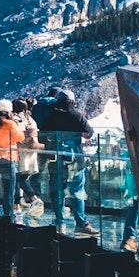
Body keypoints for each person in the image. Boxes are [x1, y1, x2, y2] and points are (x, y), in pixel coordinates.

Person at [41, 88, 99, 235]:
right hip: (75, 160)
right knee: (77, 191)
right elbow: (89, 133)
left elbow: (42, 135)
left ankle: (60, 223)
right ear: (72, 102)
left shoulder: (50, 116)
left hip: (56, 159)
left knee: (57, 191)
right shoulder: (76, 115)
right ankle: (80, 223)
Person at [12, 98, 44, 217]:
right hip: (31, 154)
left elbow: (17, 136)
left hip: (20, 153)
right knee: (22, 179)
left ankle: (18, 207)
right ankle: (33, 200)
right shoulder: (30, 119)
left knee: (16, 180)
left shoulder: (16, 120)